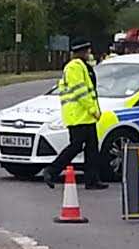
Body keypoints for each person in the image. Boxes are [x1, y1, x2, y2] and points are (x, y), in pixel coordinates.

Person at [42, 40, 108, 190]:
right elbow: (81, 92)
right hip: (78, 114)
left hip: (84, 114)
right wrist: (93, 109)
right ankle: (52, 171)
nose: (89, 53)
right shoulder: (74, 67)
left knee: (92, 148)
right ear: (83, 51)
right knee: (76, 146)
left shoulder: (83, 66)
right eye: (88, 50)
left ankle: (92, 180)